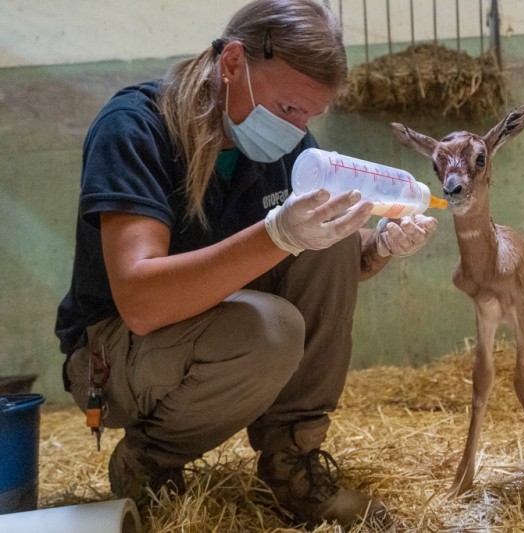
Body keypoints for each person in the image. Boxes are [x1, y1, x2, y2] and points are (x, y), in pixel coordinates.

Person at [54, 0, 437, 528]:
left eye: (309, 115)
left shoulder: (288, 143)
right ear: (232, 64)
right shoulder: (136, 127)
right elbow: (141, 303)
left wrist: (377, 248)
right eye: (287, 109)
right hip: (112, 353)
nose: (298, 128)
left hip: (206, 324)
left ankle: (291, 464)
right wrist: (280, 233)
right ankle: (150, 462)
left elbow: (316, 263)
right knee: (273, 328)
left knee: (331, 241)